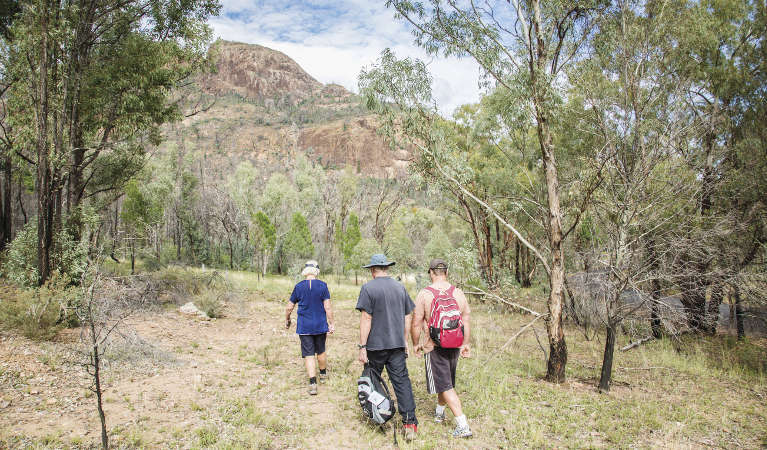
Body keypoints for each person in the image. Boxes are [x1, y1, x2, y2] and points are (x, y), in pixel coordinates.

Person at [356, 253, 419, 441]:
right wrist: (404, 340)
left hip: (375, 346)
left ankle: (378, 416)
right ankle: (409, 424)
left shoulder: (368, 288)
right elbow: (408, 316)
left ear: (373, 270)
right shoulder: (400, 288)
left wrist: (362, 346)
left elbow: (367, 318)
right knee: (402, 383)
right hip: (397, 345)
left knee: (373, 381)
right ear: (386, 268)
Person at [412, 259, 472, 438]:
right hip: (454, 344)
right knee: (446, 381)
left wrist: (416, 344)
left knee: (445, 385)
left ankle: (463, 425)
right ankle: (439, 412)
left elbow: (416, 322)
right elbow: (466, 320)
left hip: (434, 346)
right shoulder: (458, 293)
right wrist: (465, 343)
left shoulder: (425, 294)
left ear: (431, 272)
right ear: (446, 272)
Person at [285, 260, 335, 396]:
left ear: (305, 271)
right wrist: (331, 323)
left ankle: (313, 383)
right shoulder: (323, 286)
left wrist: (287, 319)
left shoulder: (299, 287)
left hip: (304, 326)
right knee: (321, 350)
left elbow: (289, 307)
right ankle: (323, 375)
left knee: (308, 353)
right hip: (320, 325)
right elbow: (328, 307)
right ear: (316, 271)